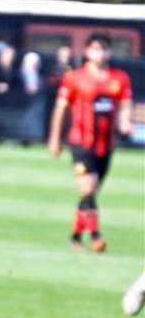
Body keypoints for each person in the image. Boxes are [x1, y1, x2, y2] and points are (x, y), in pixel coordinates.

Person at [46, 33, 133, 252]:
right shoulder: (75, 77)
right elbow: (60, 109)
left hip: (106, 145)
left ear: (109, 51)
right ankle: (96, 236)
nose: (100, 53)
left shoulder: (119, 78)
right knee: (87, 188)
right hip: (81, 143)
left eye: (103, 49)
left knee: (91, 193)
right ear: (86, 51)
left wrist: (124, 122)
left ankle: (75, 236)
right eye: (95, 49)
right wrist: (55, 138)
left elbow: (125, 106)